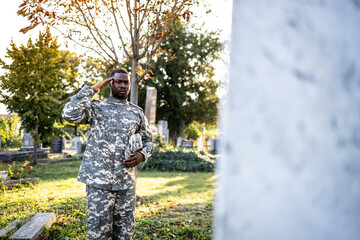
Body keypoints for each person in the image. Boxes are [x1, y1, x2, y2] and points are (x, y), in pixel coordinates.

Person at [62, 68, 153, 240]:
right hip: (98, 184)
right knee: (98, 235)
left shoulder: (136, 113)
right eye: (119, 81)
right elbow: (68, 114)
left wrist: (142, 155)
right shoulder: (95, 108)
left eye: (126, 82)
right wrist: (91, 90)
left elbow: (148, 141)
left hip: (125, 184)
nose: (123, 85)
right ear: (110, 83)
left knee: (124, 235)